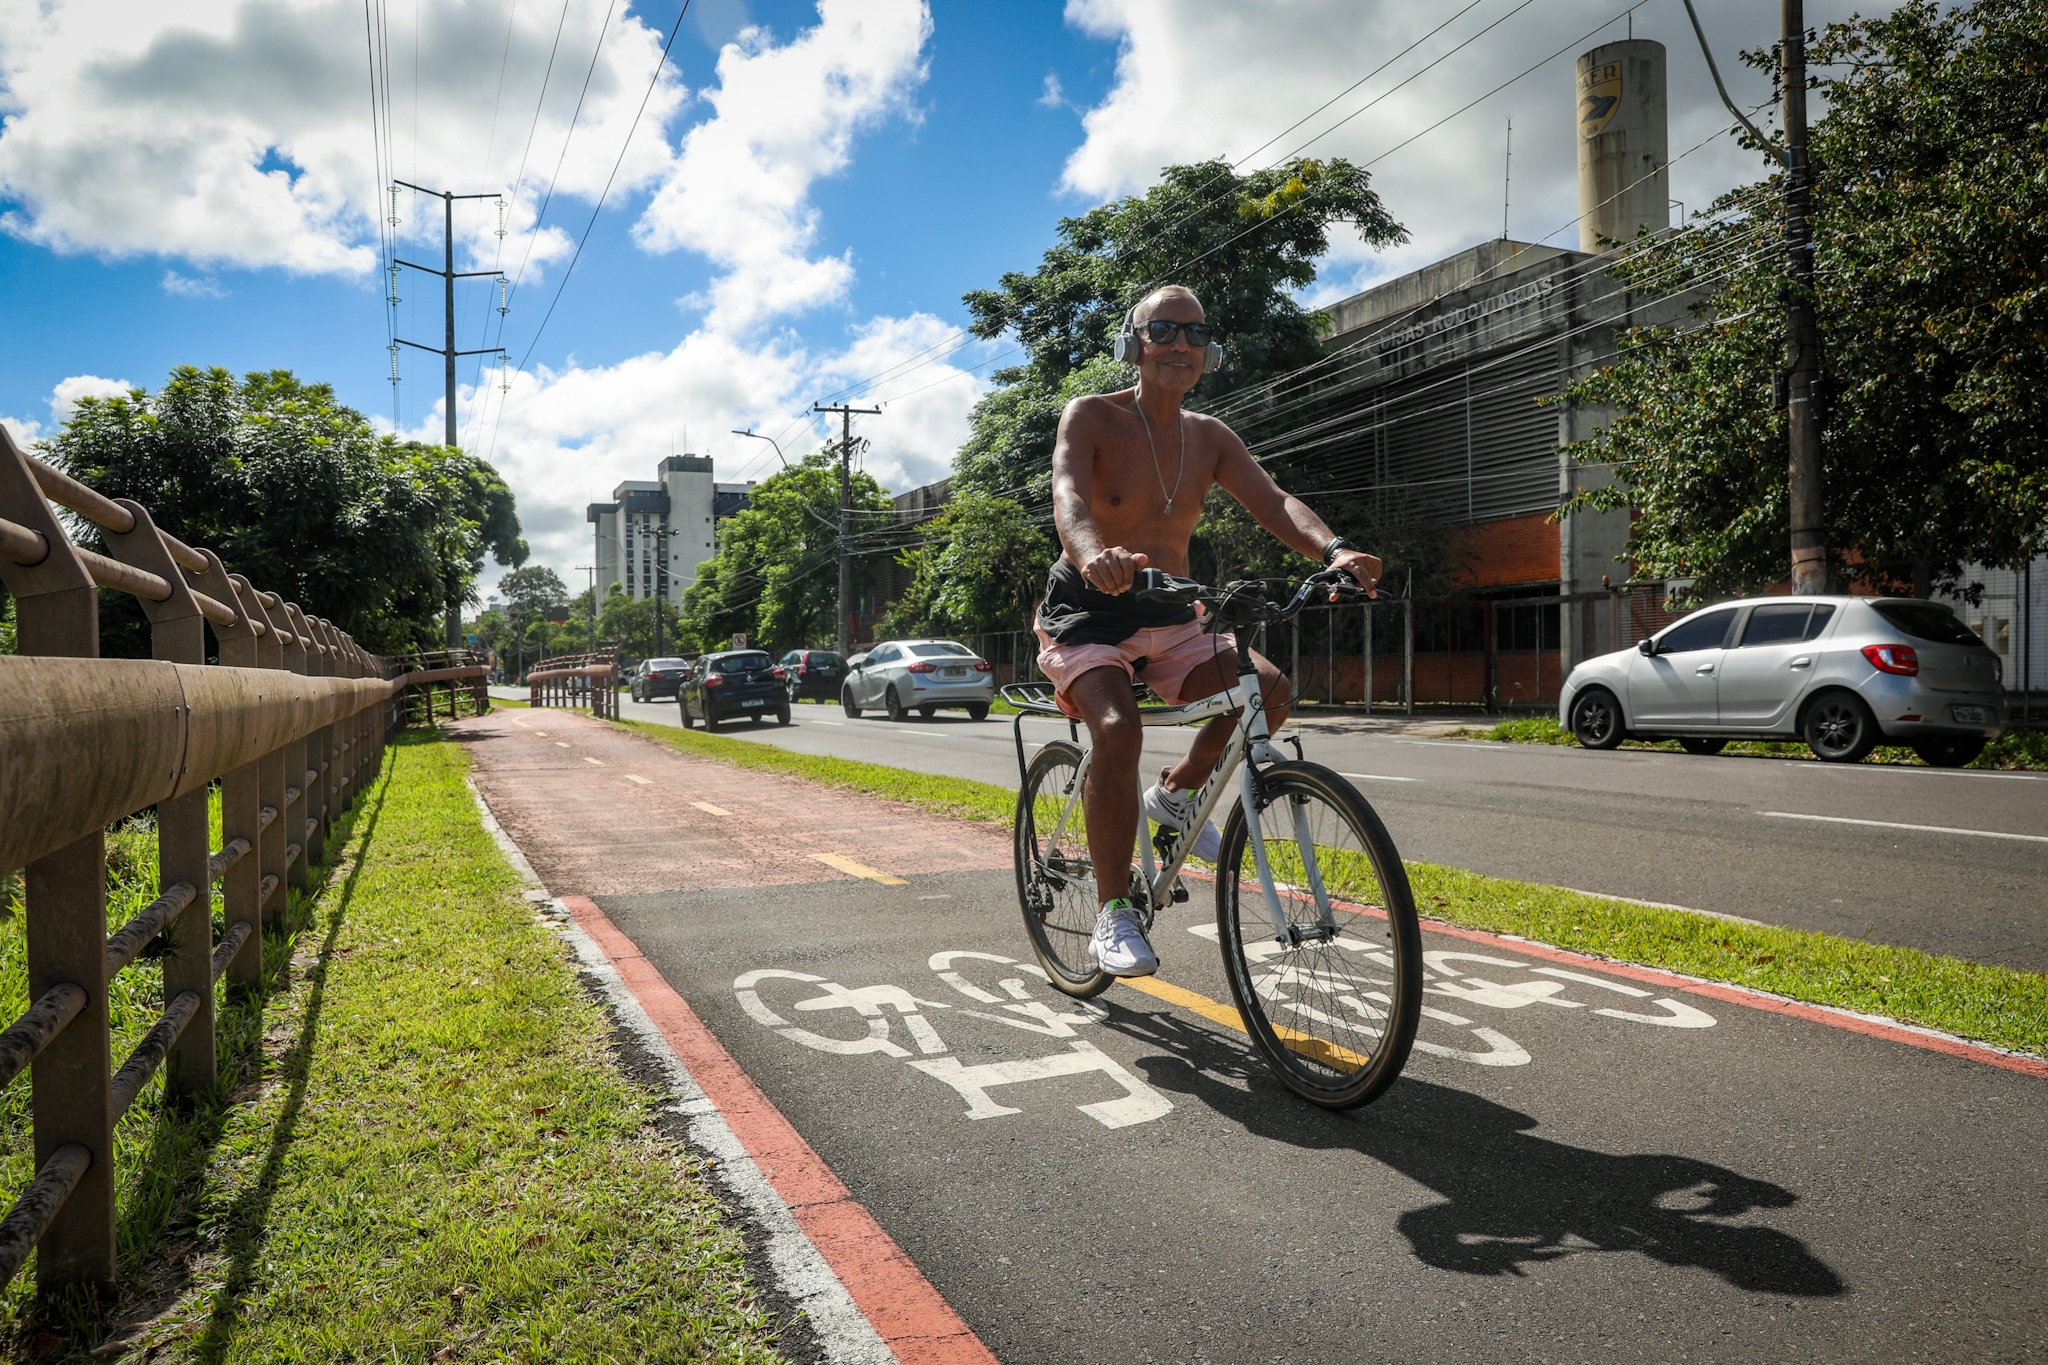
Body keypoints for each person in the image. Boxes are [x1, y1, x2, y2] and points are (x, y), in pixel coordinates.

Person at [1035, 284, 1382, 977]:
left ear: (1209, 352)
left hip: (1171, 613)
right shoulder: (1092, 416)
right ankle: (1113, 913)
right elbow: (1068, 493)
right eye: (1163, 331)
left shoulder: (1209, 437)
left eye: (1194, 334)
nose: (1180, 345)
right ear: (1133, 346)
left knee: (1269, 691)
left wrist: (1334, 549)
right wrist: (1091, 551)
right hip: (1090, 612)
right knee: (1118, 728)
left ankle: (1173, 793)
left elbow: (1274, 498)